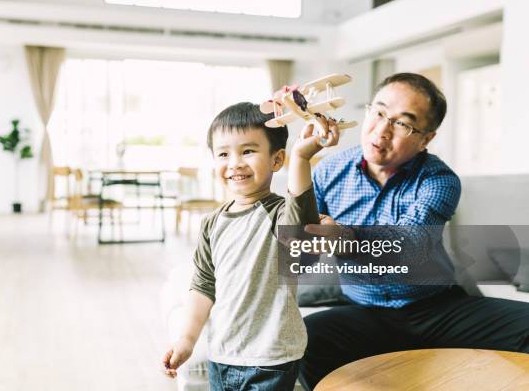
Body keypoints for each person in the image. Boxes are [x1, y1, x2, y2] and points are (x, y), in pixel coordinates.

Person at [299, 72, 529, 390]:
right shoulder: (329, 171)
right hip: (364, 311)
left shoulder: (439, 180)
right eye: (379, 112)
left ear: (425, 138)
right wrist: (299, 159)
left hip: (438, 308)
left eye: (403, 124)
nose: (381, 131)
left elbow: (410, 245)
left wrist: (348, 238)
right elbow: (300, 248)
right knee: (304, 340)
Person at [162, 102, 340, 390]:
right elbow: (204, 285)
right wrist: (187, 339)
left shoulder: (279, 214)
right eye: (223, 153)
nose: (235, 163)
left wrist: (301, 158)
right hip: (222, 354)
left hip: (271, 358)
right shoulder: (212, 223)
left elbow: (300, 235)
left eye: (248, 151)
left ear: (277, 159)